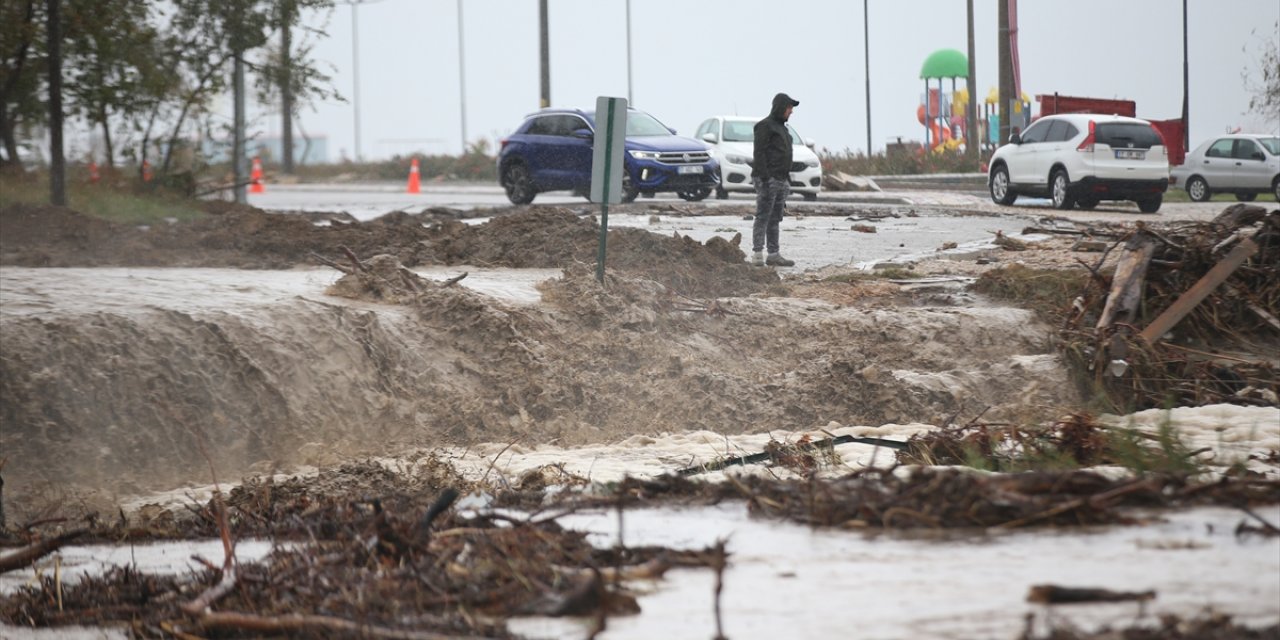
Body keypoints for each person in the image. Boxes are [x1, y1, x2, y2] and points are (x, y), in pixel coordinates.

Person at [751, 92, 799, 267]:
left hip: (781, 179)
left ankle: (773, 254)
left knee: (775, 217)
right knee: (763, 215)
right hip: (767, 179)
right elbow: (759, 153)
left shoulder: (783, 129)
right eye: (789, 108)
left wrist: (786, 180)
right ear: (780, 107)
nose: (791, 112)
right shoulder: (764, 126)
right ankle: (757, 253)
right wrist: (764, 178)